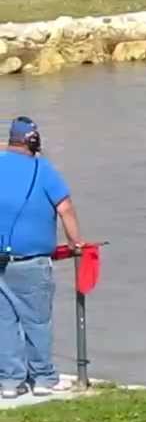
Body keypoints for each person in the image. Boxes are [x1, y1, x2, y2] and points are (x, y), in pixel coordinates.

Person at [0, 116, 85, 399]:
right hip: (32, 263)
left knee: (4, 322)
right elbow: (66, 208)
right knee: (37, 320)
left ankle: (10, 382)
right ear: (34, 140)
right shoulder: (42, 169)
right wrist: (76, 242)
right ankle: (43, 378)